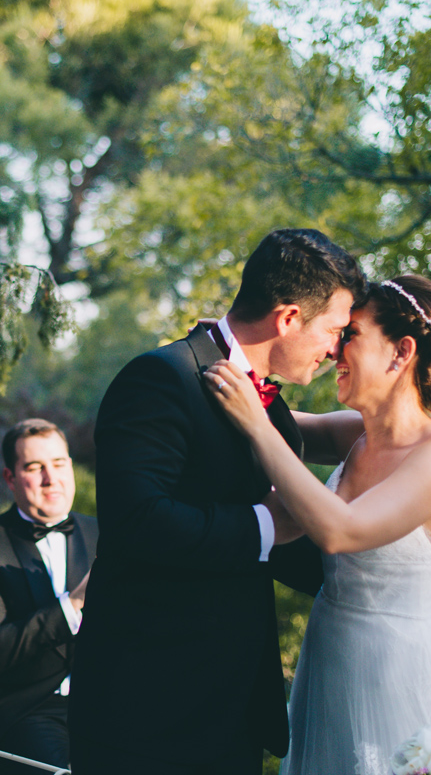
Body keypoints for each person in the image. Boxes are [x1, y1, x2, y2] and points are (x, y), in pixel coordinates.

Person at [70, 228, 365, 775]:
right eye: (334, 330)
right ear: (290, 318)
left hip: (230, 716)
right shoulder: (160, 377)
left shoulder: (271, 411)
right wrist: (266, 525)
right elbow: (137, 522)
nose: (336, 349)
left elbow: (291, 550)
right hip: (144, 714)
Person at [205, 274, 431, 775]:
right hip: (329, 661)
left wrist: (254, 422)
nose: (334, 349)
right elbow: (274, 420)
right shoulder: (358, 435)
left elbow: (341, 530)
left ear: (400, 353)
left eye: (349, 335)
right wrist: (233, 352)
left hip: (396, 678)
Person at [0, 419, 99, 774]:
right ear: (10, 478)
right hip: (23, 709)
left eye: (59, 463)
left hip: (102, 702)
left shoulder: (102, 533)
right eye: (35, 468)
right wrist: (74, 603)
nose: (51, 478)